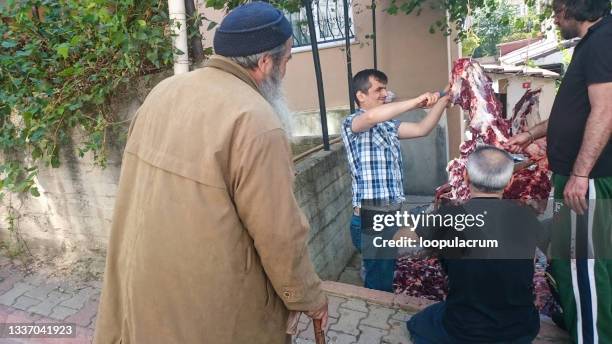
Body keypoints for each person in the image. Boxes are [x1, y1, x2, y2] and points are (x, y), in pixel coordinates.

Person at [93, 3, 327, 343]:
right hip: (210, 309)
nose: (286, 69)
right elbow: (279, 235)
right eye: (287, 59)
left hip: (143, 286)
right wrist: (309, 297)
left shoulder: (164, 91)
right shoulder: (256, 120)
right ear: (265, 63)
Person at [506, 1, 612, 342]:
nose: (554, 16)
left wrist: (581, 175)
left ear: (573, 7)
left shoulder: (602, 41)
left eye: (557, 9)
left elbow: (605, 111)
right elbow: (575, 114)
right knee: (575, 266)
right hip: (579, 179)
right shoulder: (592, 43)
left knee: (585, 269)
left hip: (588, 181)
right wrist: (530, 134)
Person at [407, 146, 543, 343]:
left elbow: (404, 239)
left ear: (466, 177)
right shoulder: (527, 218)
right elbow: (527, 269)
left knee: (419, 322)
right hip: (520, 329)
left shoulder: (449, 216)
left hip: (464, 330)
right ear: (510, 181)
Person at [340, 69, 450, 292]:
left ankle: (378, 311)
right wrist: (417, 100)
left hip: (388, 217)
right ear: (361, 96)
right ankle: (377, 319)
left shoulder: (387, 126)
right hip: (370, 217)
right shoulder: (352, 122)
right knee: (378, 283)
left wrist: (444, 99)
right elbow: (371, 117)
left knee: (383, 274)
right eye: (378, 89)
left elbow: (422, 128)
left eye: (385, 88)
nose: (384, 93)